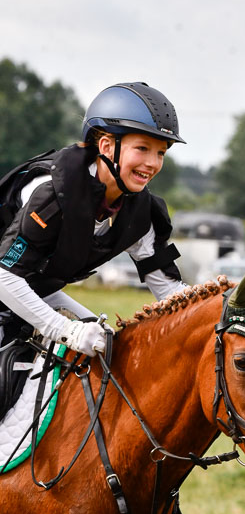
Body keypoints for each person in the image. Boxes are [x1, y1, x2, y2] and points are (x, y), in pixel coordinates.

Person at [0, 81, 187, 357]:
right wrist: (67, 330)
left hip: (38, 291)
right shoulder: (51, 193)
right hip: (6, 282)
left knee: (110, 351)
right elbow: (4, 277)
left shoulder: (141, 213)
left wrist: (221, 307)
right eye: (143, 148)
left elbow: (170, 291)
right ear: (107, 146)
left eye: (161, 152)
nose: (153, 163)